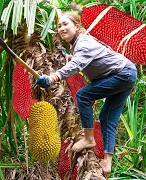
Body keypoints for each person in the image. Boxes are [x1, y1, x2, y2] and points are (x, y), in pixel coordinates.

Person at [36, 11, 137, 174]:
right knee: (107, 118)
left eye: (65, 24)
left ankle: (88, 139)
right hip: (126, 74)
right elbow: (80, 59)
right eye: (59, 26)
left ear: (76, 26)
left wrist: (52, 77)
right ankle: (107, 162)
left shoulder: (84, 43)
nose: (61, 28)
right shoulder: (78, 45)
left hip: (121, 74)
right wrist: (69, 55)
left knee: (83, 95)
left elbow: (76, 64)